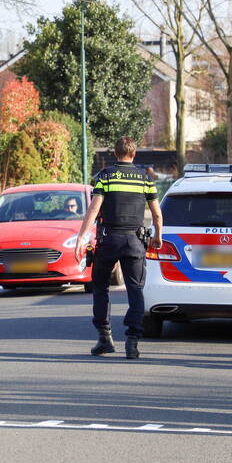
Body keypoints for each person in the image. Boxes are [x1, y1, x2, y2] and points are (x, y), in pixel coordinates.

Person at [74, 136, 163, 359]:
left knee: (101, 288)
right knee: (135, 290)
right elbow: (156, 213)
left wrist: (82, 237)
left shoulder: (105, 176)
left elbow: (94, 210)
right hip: (134, 241)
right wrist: (158, 236)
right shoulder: (145, 178)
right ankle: (132, 342)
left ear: (115, 154)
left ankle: (104, 338)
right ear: (134, 154)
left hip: (109, 240)